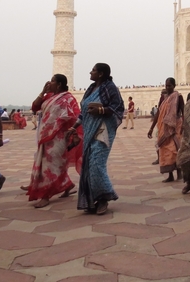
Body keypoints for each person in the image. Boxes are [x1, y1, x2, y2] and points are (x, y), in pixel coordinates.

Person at [69, 63, 124, 215]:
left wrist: (100, 110)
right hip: (89, 131)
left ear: (100, 74)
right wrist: (74, 127)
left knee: (96, 164)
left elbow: (118, 107)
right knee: (88, 165)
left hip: (102, 130)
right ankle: (92, 198)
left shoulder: (109, 88)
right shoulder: (91, 89)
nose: (90, 72)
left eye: (93, 70)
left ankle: (104, 197)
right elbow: (83, 112)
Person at [26, 74, 82, 208]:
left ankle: (46, 195)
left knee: (51, 166)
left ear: (59, 84)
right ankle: (67, 185)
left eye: (52, 81)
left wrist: (71, 133)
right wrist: (42, 92)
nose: (49, 83)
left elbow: (73, 117)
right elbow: (34, 107)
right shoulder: (49, 97)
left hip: (59, 136)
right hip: (46, 135)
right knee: (53, 164)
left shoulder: (67, 98)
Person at [148, 77, 184, 182]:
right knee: (165, 150)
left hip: (175, 125)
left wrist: (184, 124)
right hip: (164, 127)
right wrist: (151, 128)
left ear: (174, 86)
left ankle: (179, 172)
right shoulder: (163, 98)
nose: (168, 87)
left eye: (170, 86)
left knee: (175, 149)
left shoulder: (178, 96)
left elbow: (183, 109)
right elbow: (159, 113)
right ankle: (170, 175)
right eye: (166, 85)